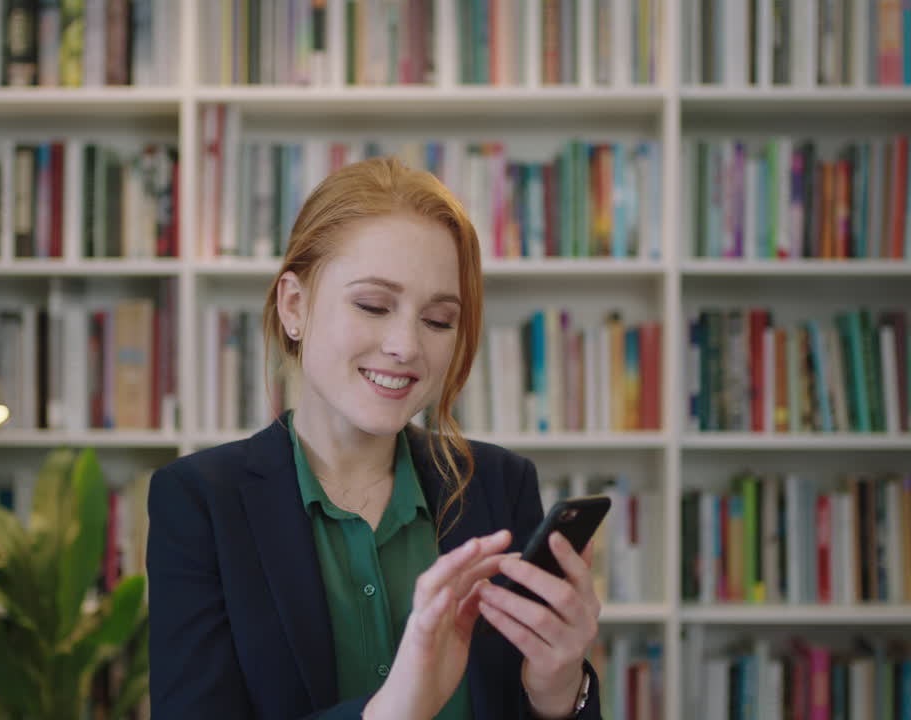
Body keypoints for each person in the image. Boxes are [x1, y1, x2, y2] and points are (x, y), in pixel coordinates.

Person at [146, 156, 603, 719]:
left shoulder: (501, 485)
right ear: (294, 305)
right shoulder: (198, 503)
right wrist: (394, 709)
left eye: (438, 320)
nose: (407, 346)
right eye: (373, 305)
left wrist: (558, 687)